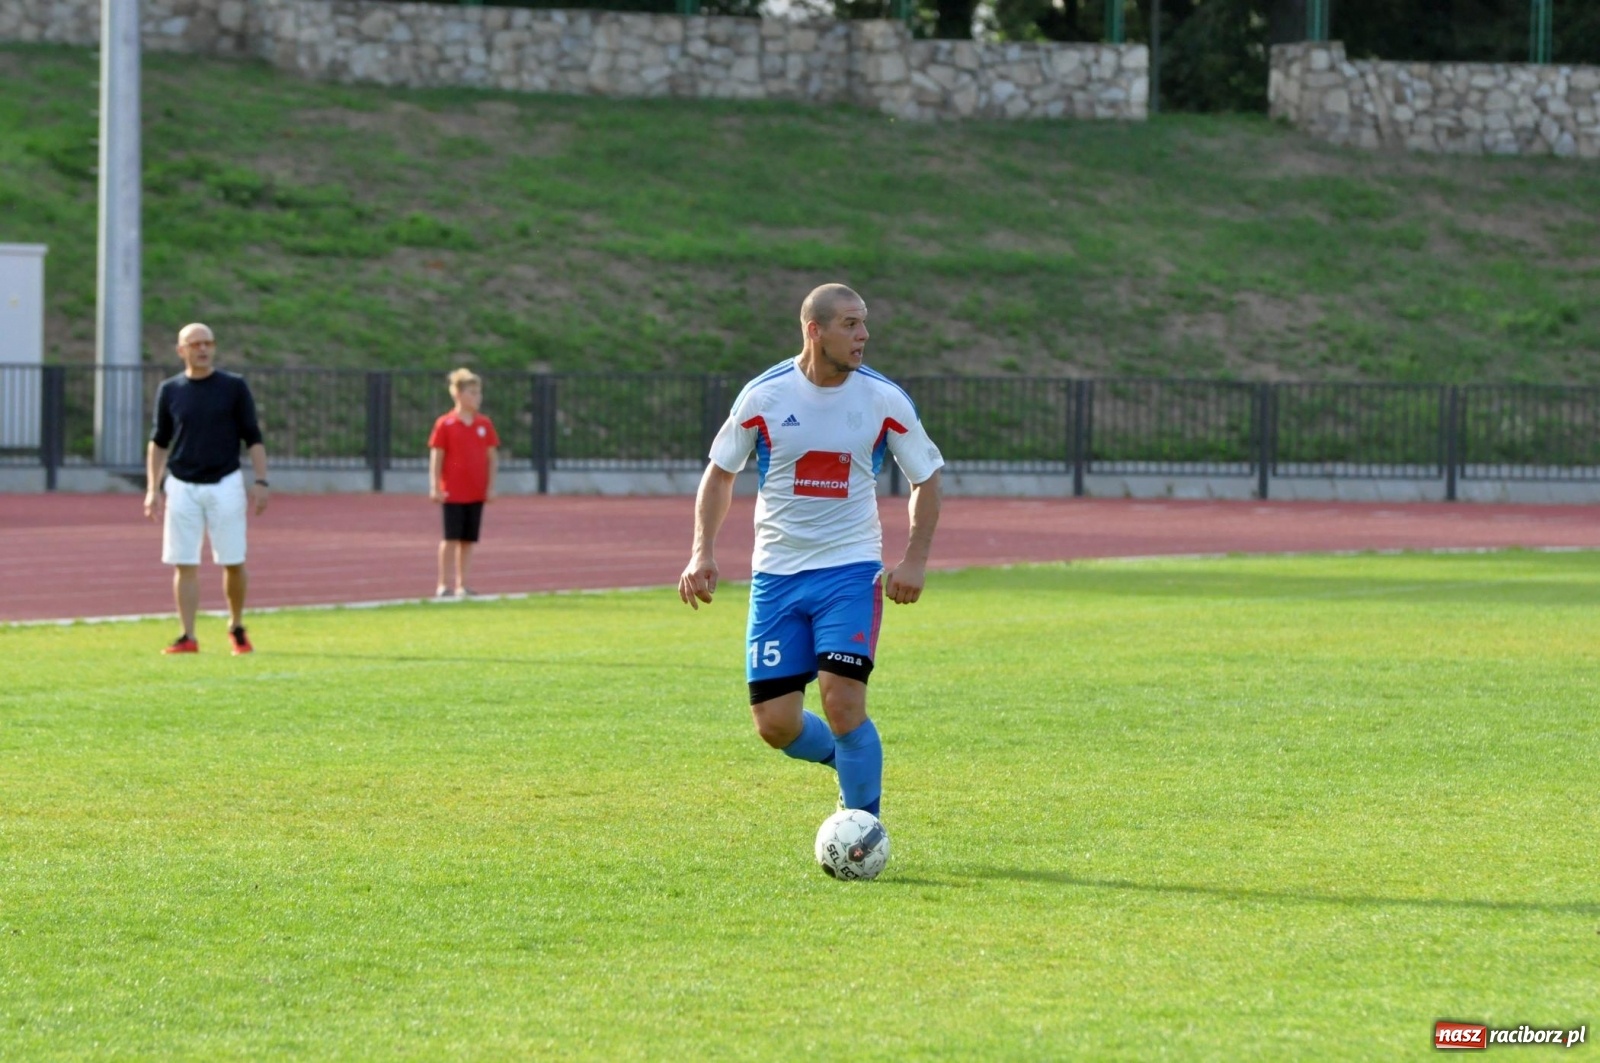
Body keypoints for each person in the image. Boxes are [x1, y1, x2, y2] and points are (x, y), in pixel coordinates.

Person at [678, 283, 944, 820]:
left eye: (864, 322)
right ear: (813, 330)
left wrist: (914, 559)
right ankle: (849, 763)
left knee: (842, 702)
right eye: (850, 323)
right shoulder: (765, 396)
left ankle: (864, 828)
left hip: (850, 571)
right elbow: (720, 473)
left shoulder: (883, 399)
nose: (863, 334)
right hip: (776, 576)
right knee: (775, 725)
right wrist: (701, 552)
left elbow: (927, 476)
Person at [143, 322, 269, 655]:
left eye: (208, 343)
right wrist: (152, 488)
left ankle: (236, 626)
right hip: (182, 485)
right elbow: (159, 440)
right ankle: (188, 635)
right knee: (184, 562)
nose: (202, 349)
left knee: (233, 560)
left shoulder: (233, 387)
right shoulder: (170, 390)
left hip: (224, 482)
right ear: (180, 350)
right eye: (195, 343)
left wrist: (261, 480)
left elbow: (253, 436)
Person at [428, 368, 499, 598]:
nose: (478, 397)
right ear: (458, 394)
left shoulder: (484, 424)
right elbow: (437, 456)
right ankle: (443, 584)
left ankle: (463, 584)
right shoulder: (445, 423)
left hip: (475, 491)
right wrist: (435, 486)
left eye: (479, 392)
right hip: (453, 491)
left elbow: (492, 457)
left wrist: (490, 486)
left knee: (468, 540)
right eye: (472, 392)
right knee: (450, 538)